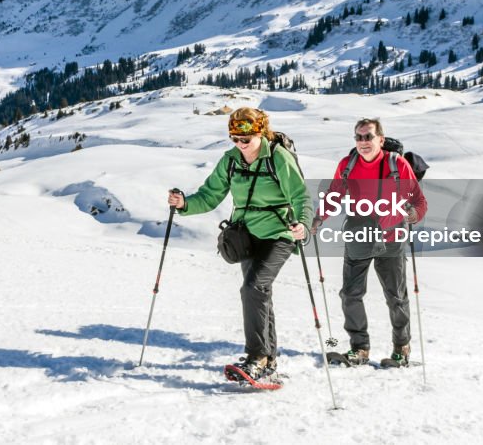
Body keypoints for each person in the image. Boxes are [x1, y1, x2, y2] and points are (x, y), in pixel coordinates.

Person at [167, 107, 311, 381]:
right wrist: (184, 204)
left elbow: (301, 196)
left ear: (260, 133)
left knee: (253, 287)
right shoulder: (231, 161)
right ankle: (268, 362)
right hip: (245, 236)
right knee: (259, 293)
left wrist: (302, 223)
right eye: (234, 138)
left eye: (245, 139)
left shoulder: (278, 158)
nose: (240, 144)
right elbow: (210, 195)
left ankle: (256, 357)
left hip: (279, 233)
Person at [314, 118, 427, 368]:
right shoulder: (347, 164)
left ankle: (401, 348)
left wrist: (414, 214)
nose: (363, 142)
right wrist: (319, 218)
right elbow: (335, 194)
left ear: (381, 140)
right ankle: (359, 349)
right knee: (350, 294)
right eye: (359, 137)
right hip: (358, 235)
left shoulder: (396, 164)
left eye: (368, 137)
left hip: (391, 237)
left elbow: (418, 199)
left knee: (396, 296)